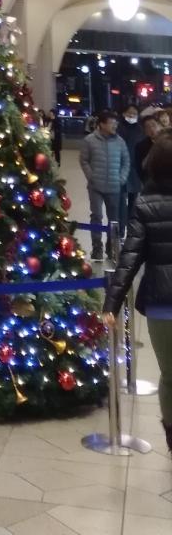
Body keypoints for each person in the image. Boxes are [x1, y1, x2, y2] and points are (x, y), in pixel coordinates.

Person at [104, 131, 172, 453]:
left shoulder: (144, 204)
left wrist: (111, 304)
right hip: (162, 306)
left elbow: (129, 259)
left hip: (161, 306)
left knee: (170, 376)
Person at [80, 109, 130, 259]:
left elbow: (126, 162)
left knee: (114, 219)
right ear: (101, 124)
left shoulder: (120, 141)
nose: (115, 125)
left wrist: (121, 178)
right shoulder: (89, 140)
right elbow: (84, 160)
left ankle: (112, 248)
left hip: (114, 186)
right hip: (95, 186)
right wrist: (91, 177)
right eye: (111, 123)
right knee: (97, 216)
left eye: (116, 123)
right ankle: (97, 248)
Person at [118, 104, 144, 233]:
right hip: (120, 168)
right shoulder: (118, 128)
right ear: (124, 114)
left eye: (134, 113)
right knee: (121, 200)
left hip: (135, 169)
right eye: (129, 113)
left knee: (134, 201)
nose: (132, 116)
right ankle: (121, 228)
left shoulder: (141, 130)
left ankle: (131, 227)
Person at [136, 114, 161, 183]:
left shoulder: (168, 140)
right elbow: (140, 167)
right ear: (144, 130)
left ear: (159, 125)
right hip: (151, 182)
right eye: (148, 127)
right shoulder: (140, 146)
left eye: (154, 125)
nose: (152, 129)